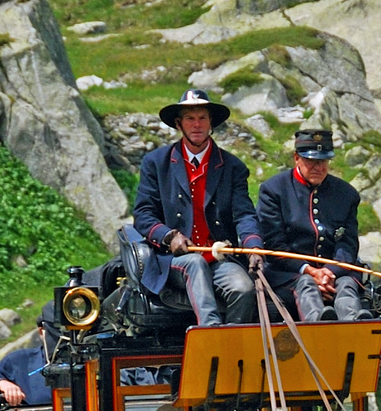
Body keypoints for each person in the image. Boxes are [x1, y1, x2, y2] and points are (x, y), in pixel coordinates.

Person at [133, 89, 262, 328]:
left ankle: (232, 348)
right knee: (195, 264)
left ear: (211, 123)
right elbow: (143, 215)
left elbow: (244, 214)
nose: (197, 125)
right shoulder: (156, 163)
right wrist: (169, 235)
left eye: (202, 118)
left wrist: (254, 247)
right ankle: (209, 334)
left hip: (219, 258)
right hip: (172, 260)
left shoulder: (233, 167)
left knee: (244, 289)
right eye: (190, 118)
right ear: (178, 124)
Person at [257, 128, 368, 322]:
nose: (318, 167)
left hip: (335, 271)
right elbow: (274, 246)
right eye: (311, 160)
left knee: (347, 285)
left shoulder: (347, 194)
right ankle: (318, 322)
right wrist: (309, 270)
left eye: (323, 161)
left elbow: (347, 244)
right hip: (290, 272)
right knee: (306, 284)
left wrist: (329, 273)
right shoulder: (274, 190)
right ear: (296, 158)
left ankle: (355, 325)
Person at [0, 301, 57, 408]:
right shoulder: (20, 361)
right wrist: (2, 384)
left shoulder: (85, 364)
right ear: (41, 332)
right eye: (55, 331)